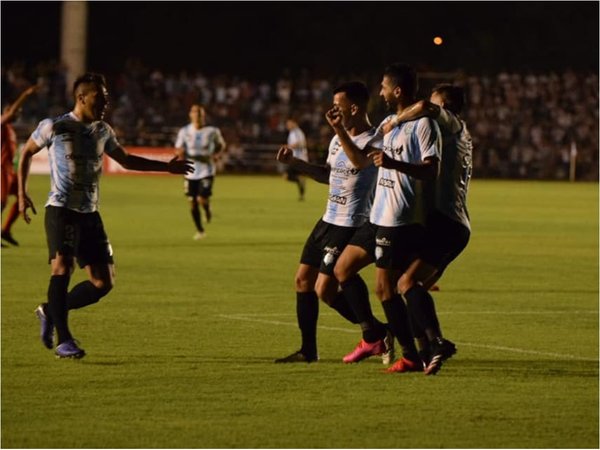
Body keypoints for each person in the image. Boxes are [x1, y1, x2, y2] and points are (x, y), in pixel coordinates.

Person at [18, 72, 193, 359]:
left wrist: (167, 167)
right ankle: (65, 340)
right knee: (62, 266)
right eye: (100, 98)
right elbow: (25, 153)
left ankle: (50, 310)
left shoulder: (103, 131)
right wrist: (23, 193)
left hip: (90, 213)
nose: (105, 103)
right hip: (61, 209)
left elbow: (126, 160)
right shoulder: (55, 126)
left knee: (103, 282)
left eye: (107, 98)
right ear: (82, 97)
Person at [333, 63, 442, 373]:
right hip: (377, 214)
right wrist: (341, 131)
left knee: (385, 288)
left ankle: (411, 353)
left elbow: (431, 170)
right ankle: (378, 335)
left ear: (396, 90)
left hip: (398, 216)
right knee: (343, 269)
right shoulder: (390, 122)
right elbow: (362, 161)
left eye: (382, 86)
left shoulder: (423, 125)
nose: (378, 91)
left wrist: (394, 164)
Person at [274, 81, 392, 364]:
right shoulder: (336, 140)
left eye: (337, 106)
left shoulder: (374, 139)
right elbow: (328, 174)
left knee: (325, 289)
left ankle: (377, 333)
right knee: (303, 280)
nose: (332, 112)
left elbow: (360, 163)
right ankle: (309, 350)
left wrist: (339, 131)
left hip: (351, 222)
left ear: (354, 108)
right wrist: (296, 163)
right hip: (327, 219)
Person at [383, 83, 473, 375]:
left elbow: (423, 107)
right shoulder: (459, 133)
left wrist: (396, 121)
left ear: (444, 106)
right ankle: (424, 353)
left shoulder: (450, 122)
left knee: (406, 284)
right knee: (409, 287)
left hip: (446, 223)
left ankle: (438, 343)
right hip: (452, 224)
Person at [174, 104, 226, 240]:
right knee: (192, 202)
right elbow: (178, 148)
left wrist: (217, 154)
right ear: (190, 115)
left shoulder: (212, 131)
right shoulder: (184, 131)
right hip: (190, 170)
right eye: (194, 112)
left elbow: (221, 145)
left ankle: (207, 209)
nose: (196, 115)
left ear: (203, 116)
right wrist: (180, 152)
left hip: (207, 170)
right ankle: (200, 230)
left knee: (202, 198)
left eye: (199, 112)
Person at [1, 84, 40, 247]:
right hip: (1, 169)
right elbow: (10, 113)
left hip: (9, 170)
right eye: (16, 111)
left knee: (23, 197)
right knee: (1, 202)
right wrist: (25, 94)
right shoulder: (1, 124)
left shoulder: (11, 130)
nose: (18, 113)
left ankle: (6, 231)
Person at [282, 117, 308, 201]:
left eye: (289, 124)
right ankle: (301, 191)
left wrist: (288, 147)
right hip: (295, 158)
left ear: (294, 123)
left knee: (287, 175)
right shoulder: (292, 132)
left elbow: (301, 143)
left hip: (299, 158)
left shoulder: (297, 132)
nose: (287, 126)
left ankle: (301, 192)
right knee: (292, 176)